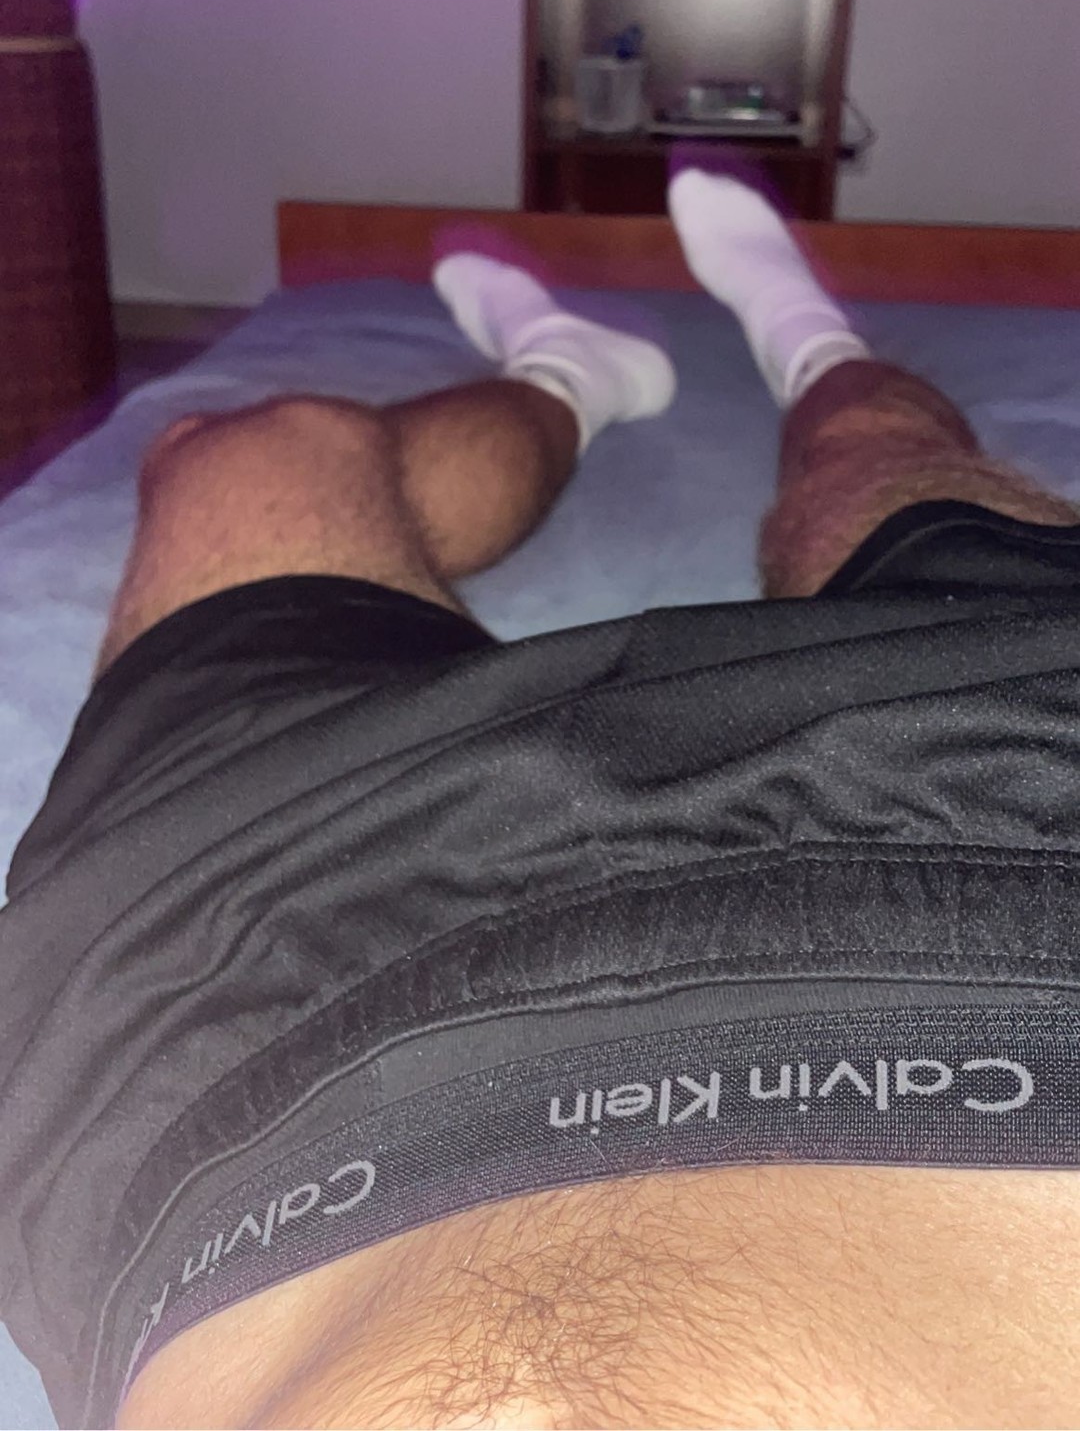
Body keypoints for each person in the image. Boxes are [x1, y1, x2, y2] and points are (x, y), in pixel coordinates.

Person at [3, 170, 1080, 1431]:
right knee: (885, 468)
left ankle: (708, 351)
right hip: (1011, 874)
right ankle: (630, 372)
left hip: (225, 1046)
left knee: (236, 465)